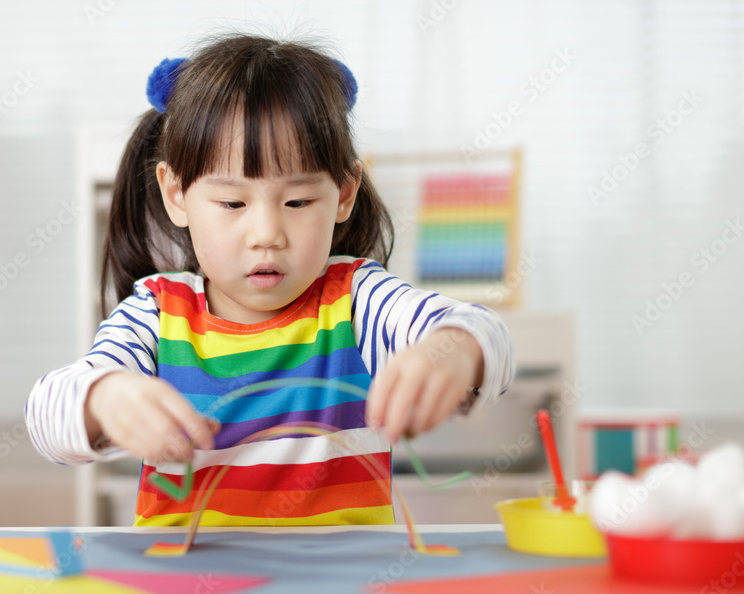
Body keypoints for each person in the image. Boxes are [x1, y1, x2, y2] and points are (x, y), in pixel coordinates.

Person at [26, 34, 515, 527]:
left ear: (344, 194)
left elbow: (484, 331)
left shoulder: (359, 300)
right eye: (233, 204)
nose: (267, 235)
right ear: (176, 195)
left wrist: (455, 349)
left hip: (343, 592)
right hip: (190, 591)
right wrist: (103, 398)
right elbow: (47, 418)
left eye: (298, 202)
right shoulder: (155, 314)